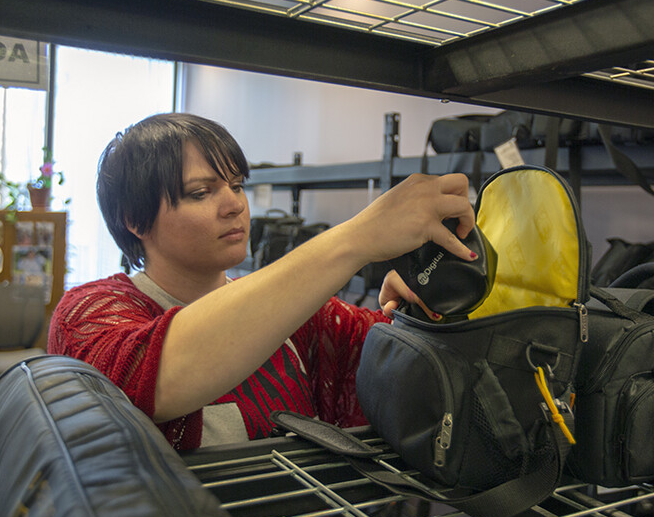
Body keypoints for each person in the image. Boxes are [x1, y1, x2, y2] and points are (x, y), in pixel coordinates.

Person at [48, 113, 477, 454]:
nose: (234, 204)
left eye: (236, 186)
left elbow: (392, 360)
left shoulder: (297, 314)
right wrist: (357, 237)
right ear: (135, 220)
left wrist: (411, 317)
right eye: (202, 192)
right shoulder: (88, 314)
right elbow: (160, 376)